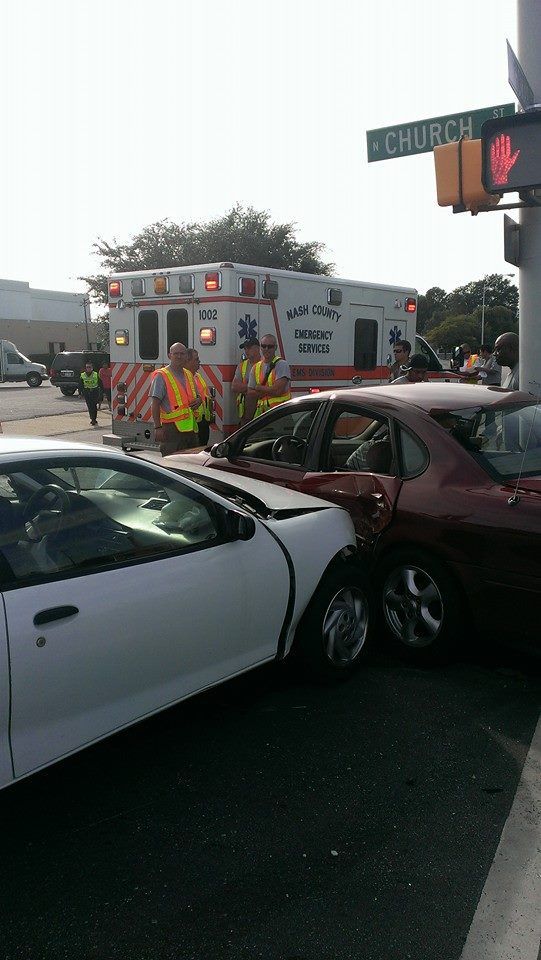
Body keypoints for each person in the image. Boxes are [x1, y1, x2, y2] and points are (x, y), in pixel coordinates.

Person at [149, 342, 201, 456]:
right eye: (175, 353)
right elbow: (155, 403)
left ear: (186, 356)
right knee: (172, 463)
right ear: (169, 355)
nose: (179, 356)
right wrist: (157, 427)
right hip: (171, 430)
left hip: (191, 430)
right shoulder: (161, 375)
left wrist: (199, 400)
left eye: (182, 353)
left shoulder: (188, 374)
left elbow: (197, 396)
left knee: (192, 465)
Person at [244, 336, 291, 422]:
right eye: (264, 346)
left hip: (280, 414)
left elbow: (277, 391)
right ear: (260, 348)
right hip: (262, 415)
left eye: (270, 346)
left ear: (275, 347)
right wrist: (268, 390)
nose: (266, 349)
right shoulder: (256, 367)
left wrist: (259, 388)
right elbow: (249, 392)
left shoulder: (281, 364)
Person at [185, 348, 212, 446]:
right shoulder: (183, 378)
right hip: (192, 424)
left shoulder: (197, 376)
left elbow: (205, 395)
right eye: (196, 359)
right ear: (187, 361)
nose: (199, 361)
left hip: (203, 422)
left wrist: (201, 399)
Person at [232, 338, 260, 423]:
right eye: (245, 348)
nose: (246, 351)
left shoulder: (264, 364)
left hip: (261, 411)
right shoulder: (242, 365)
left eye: (249, 348)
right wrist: (254, 387)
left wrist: (245, 387)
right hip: (245, 412)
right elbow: (234, 387)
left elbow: (267, 387)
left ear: (257, 348)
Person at [80, 361, 100, 425]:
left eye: (89, 367)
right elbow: (80, 385)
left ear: (92, 368)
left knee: (94, 406)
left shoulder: (96, 374)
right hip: (87, 392)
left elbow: (100, 384)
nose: (88, 368)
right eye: (87, 367)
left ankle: (94, 419)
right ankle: (92, 419)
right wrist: (80, 393)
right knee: (89, 406)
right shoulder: (82, 375)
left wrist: (102, 393)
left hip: (94, 392)